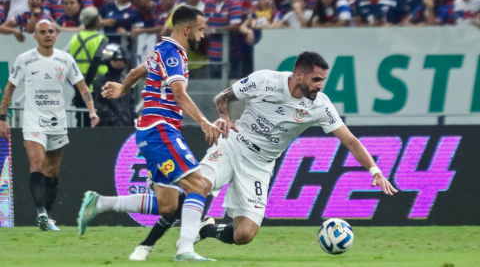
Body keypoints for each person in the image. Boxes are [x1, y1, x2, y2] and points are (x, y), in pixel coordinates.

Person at [76, 51, 398, 261]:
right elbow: (222, 97)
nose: (320, 86)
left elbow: (351, 141)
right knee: (195, 187)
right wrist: (225, 117)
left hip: (260, 166)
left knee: (245, 235)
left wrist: (374, 171)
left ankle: (204, 230)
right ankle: (133, 219)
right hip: (232, 146)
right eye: (316, 79)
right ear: (299, 75)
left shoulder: (320, 105)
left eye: (322, 80)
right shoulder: (265, 81)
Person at [78, 5, 221, 261]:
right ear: (187, 29)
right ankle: (185, 249)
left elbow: (136, 72)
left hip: (150, 132)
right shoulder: (174, 54)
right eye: (200, 30)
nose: (202, 36)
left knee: (168, 205)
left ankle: (100, 203)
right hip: (160, 129)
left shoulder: (162, 50)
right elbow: (179, 94)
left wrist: (123, 88)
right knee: (199, 186)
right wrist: (203, 121)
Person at [0, 19, 100, 231]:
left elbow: (82, 87)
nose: (47, 34)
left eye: (51, 31)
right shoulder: (25, 60)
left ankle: (48, 216)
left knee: (52, 171)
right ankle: (41, 213)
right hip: (33, 121)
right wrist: (2, 118)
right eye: (43, 31)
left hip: (58, 122)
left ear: (56, 35)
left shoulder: (65, 59)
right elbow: (9, 89)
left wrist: (91, 110)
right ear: (35, 36)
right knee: (37, 164)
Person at [69, 7, 109, 127]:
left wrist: (78, 89)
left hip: (79, 88)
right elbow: (95, 64)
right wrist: (86, 86)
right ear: (96, 21)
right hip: (97, 89)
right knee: (98, 124)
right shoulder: (101, 39)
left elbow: (69, 66)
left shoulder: (74, 39)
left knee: (81, 124)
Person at [92, 44, 136, 127]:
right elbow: (99, 105)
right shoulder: (100, 81)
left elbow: (131, 104)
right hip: (108, 127)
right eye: (116, 60)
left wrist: (134, 120)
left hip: (127, 126)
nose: (119, 63)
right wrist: (114, 120)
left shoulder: (127, 81)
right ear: (108, 61)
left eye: (122, 60)